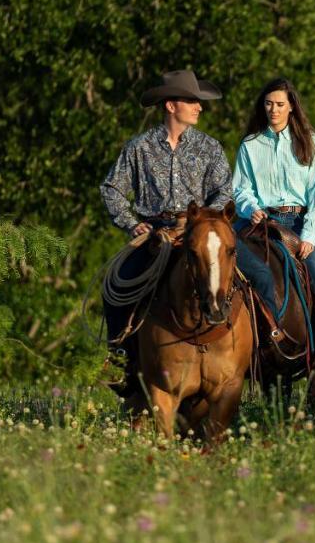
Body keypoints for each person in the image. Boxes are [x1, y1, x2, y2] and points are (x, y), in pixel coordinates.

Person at [99, 70, 281, 382]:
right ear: (171, 106)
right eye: (192, 101)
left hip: (204, 229)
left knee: (260, 273)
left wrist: (205, 222)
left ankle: (265, 350)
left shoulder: (209, 147)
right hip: (157, 233)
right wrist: (133, 224)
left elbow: (226, 190)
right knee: (118, 283)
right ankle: (121, 358)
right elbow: (111, 188)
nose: (199, 107)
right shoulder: (139, 147)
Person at [233, 78, 315, 382]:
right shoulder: (250, 144)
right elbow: (241, 188)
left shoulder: (310, 141)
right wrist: (250, 207)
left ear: (291, 106)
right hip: (258, 221)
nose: (273, 109)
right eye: (268, 104)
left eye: (280, 104)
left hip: (298, 223)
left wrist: (310, 237)